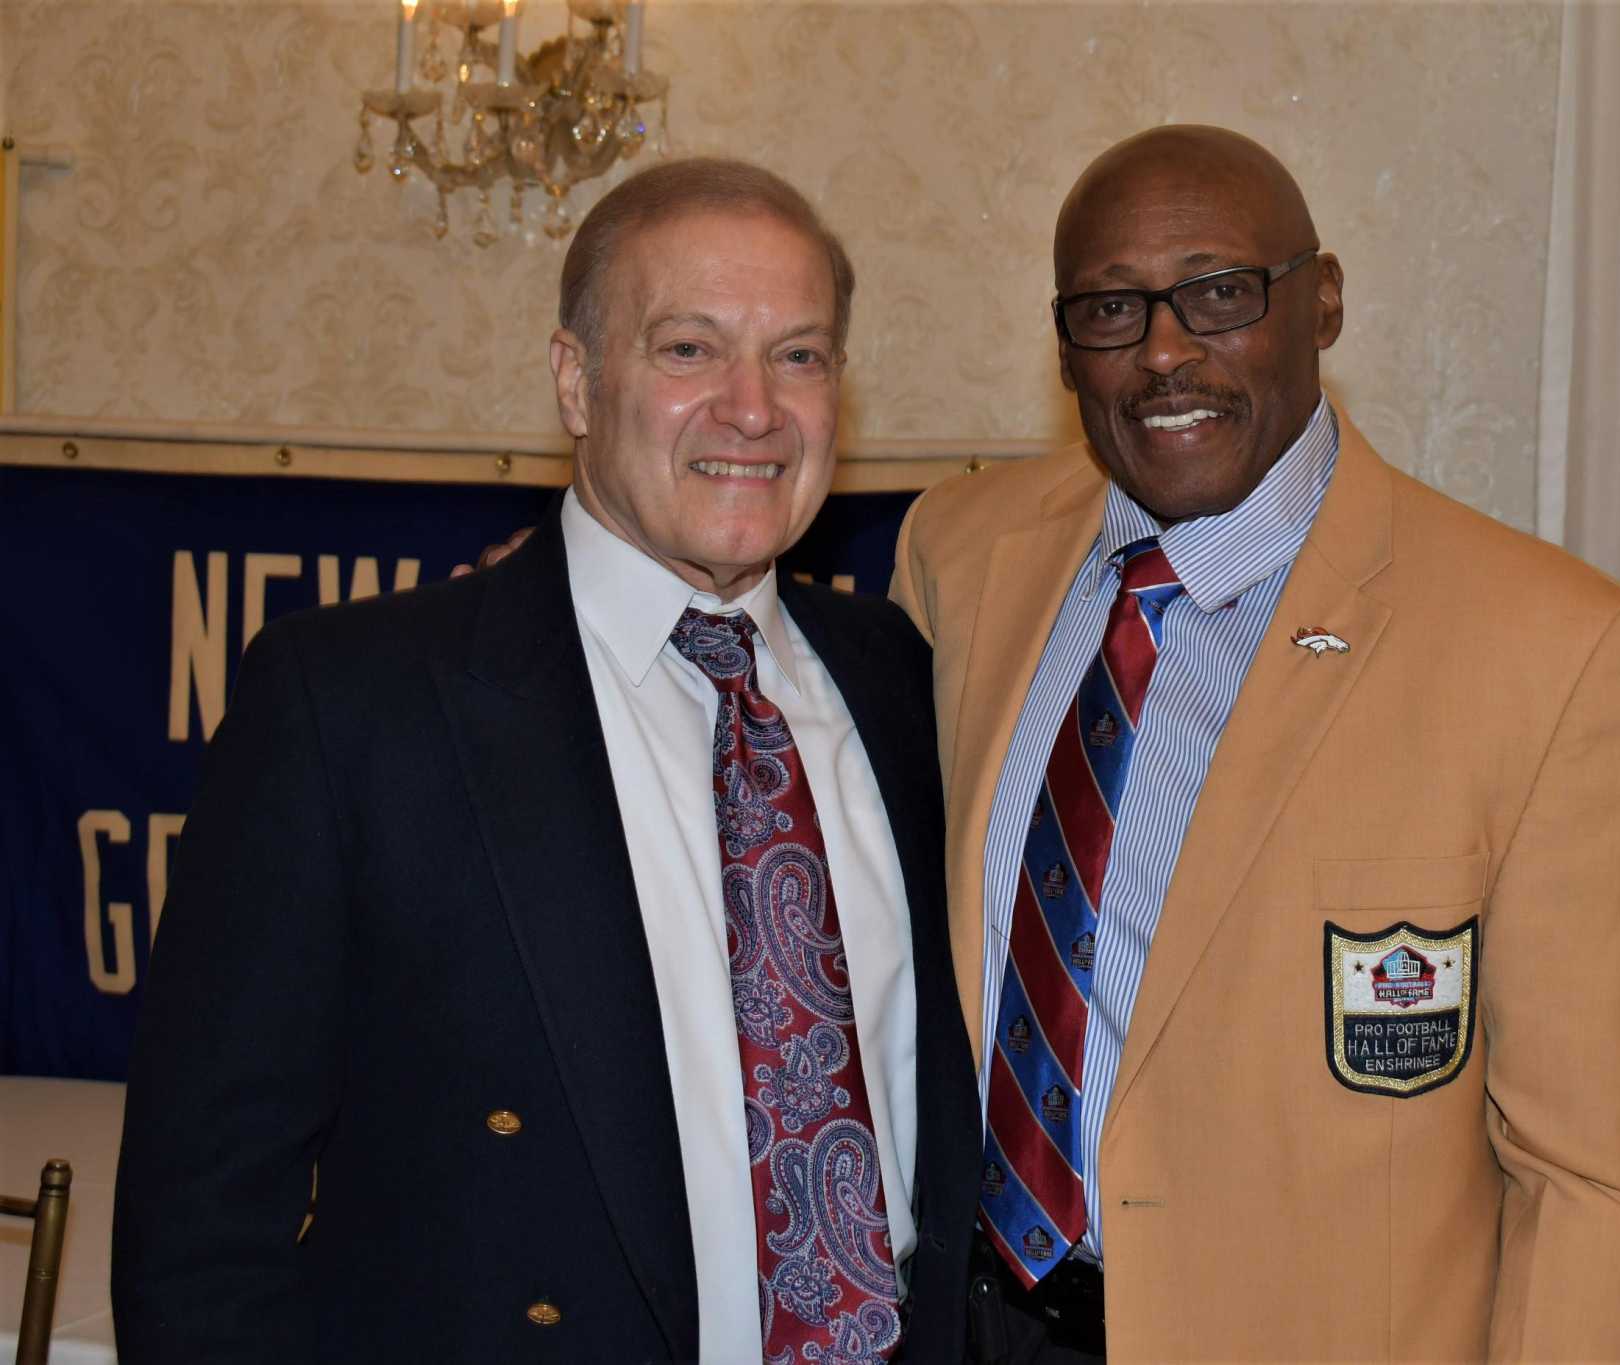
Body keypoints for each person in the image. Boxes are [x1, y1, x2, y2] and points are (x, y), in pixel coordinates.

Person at [112, 158, 978, 1364]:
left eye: (799, 354)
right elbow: (203, 1221)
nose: (752, 408)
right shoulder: (354, 706)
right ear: (575, 380)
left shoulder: (896, 676)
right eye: (688, 350)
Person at [889, 124, 1620, 1362]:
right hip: (967, 1324)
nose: (1164, 353)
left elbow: (1596, 1189)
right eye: (1111, 309)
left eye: (1218, 294)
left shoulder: (1558, 658)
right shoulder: (956, 555)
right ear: (1063, 346)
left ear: (1319, 301)